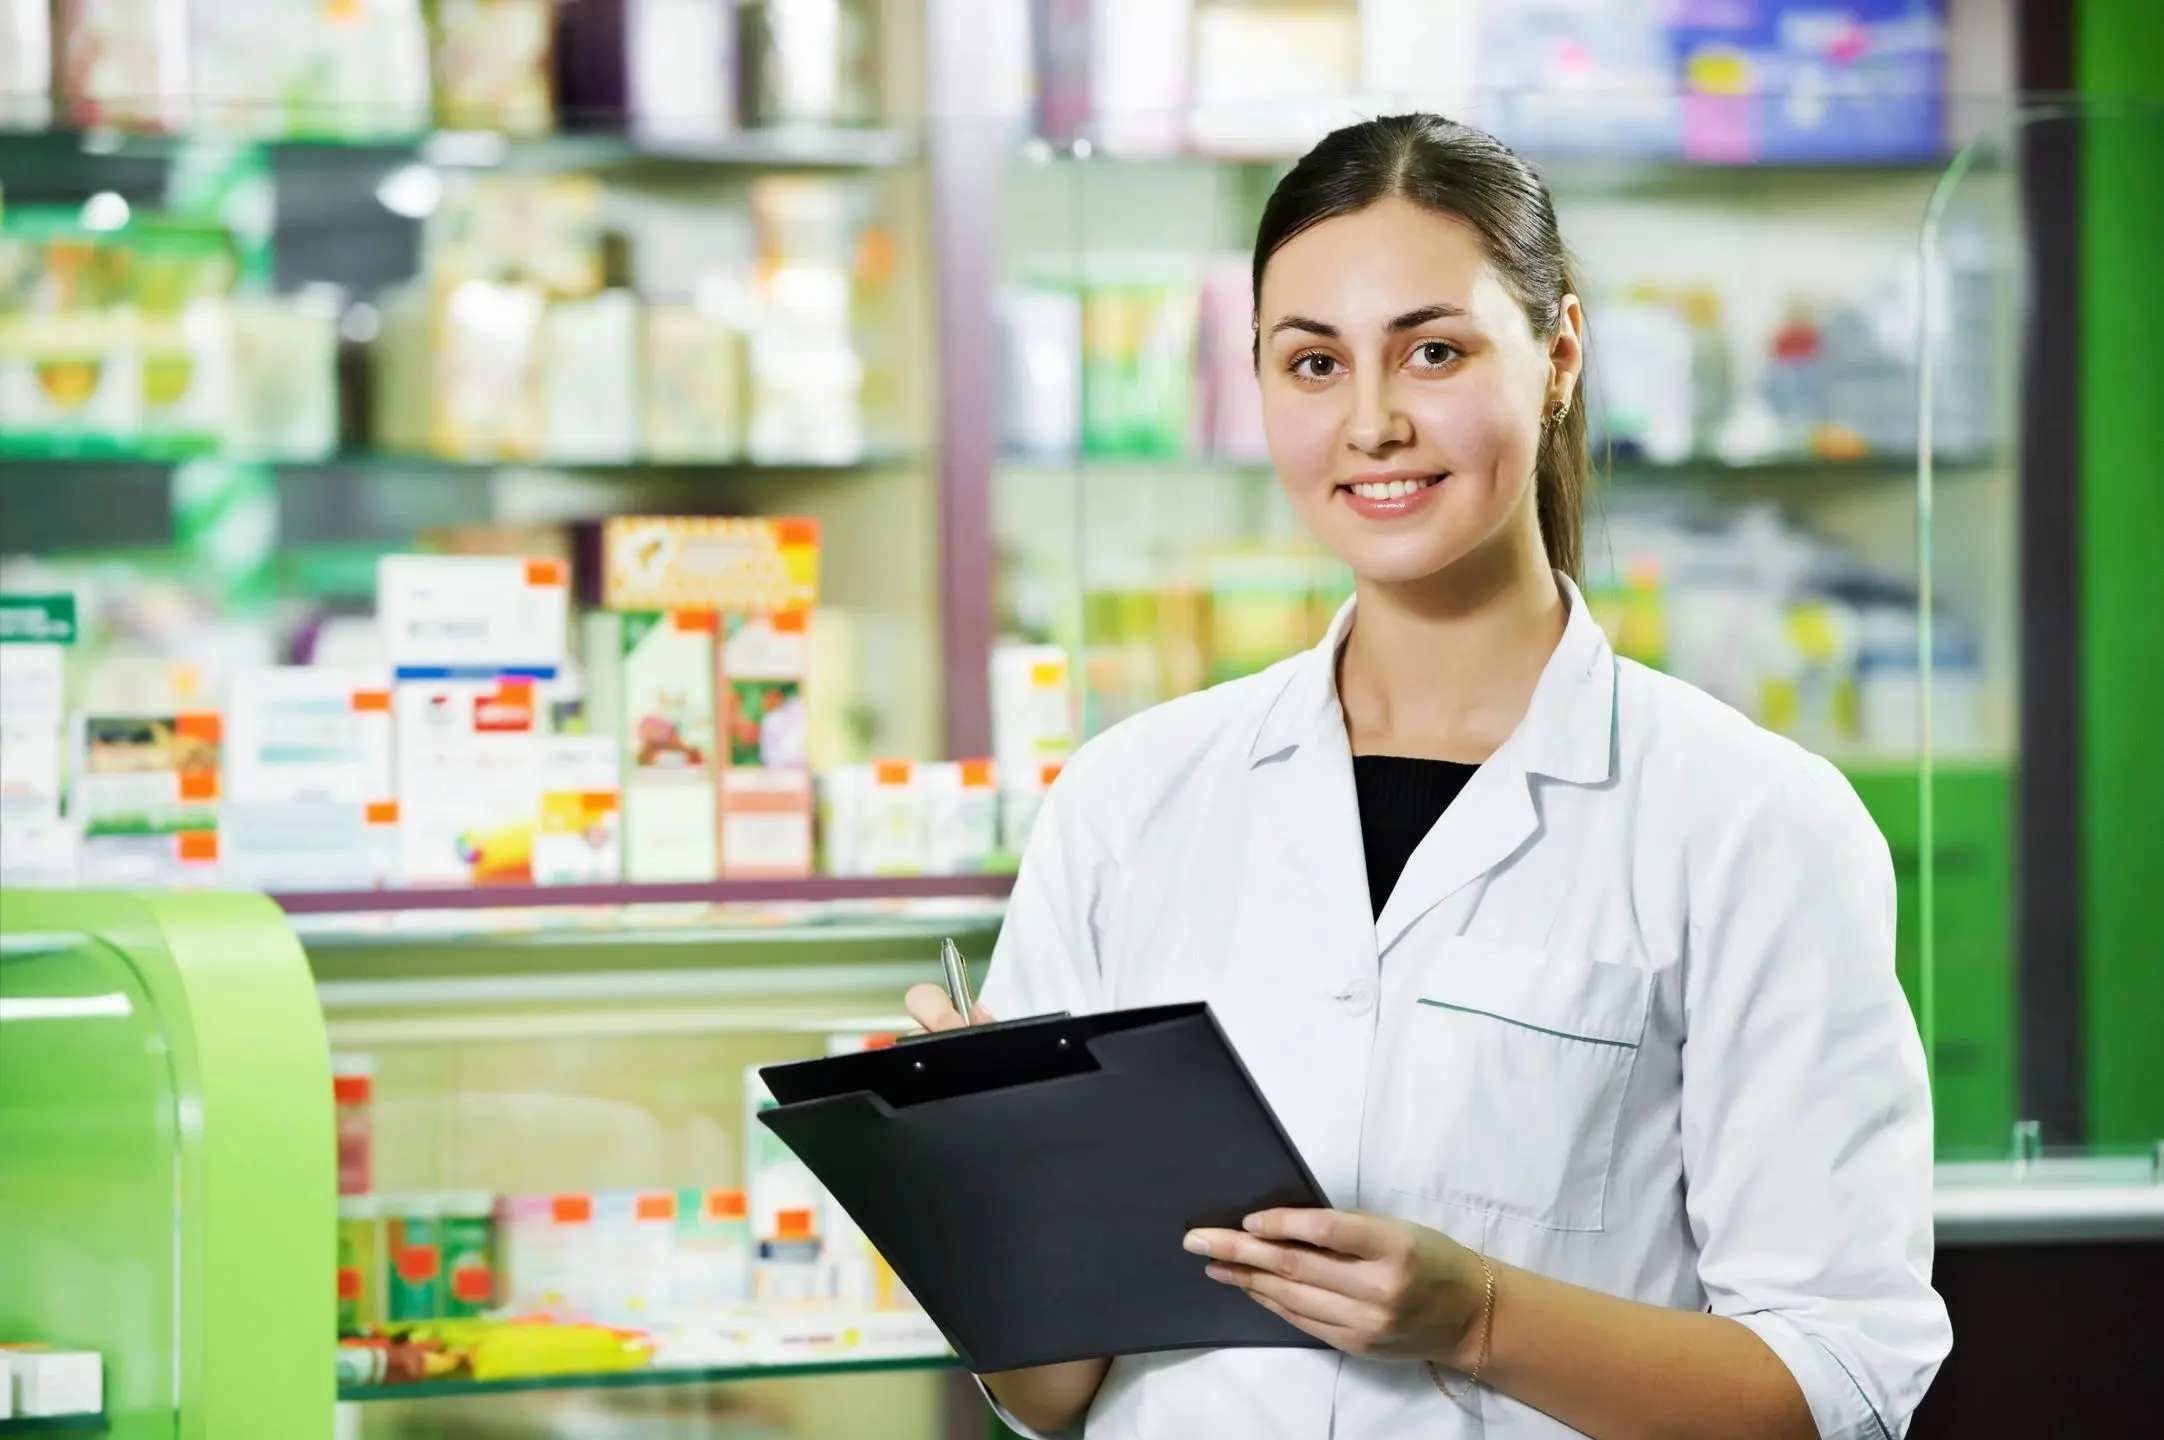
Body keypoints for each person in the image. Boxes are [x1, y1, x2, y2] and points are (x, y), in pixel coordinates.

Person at [907, 114, 1949, 1440]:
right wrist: (989, 1183)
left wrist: (1480, 1322)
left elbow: (1840, 1385)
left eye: (1435, 351)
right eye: (1312, 364)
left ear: (1559, 353)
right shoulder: (1129, 799)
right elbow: (1051, 1398)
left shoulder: (1754, 823)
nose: (1373, 423)